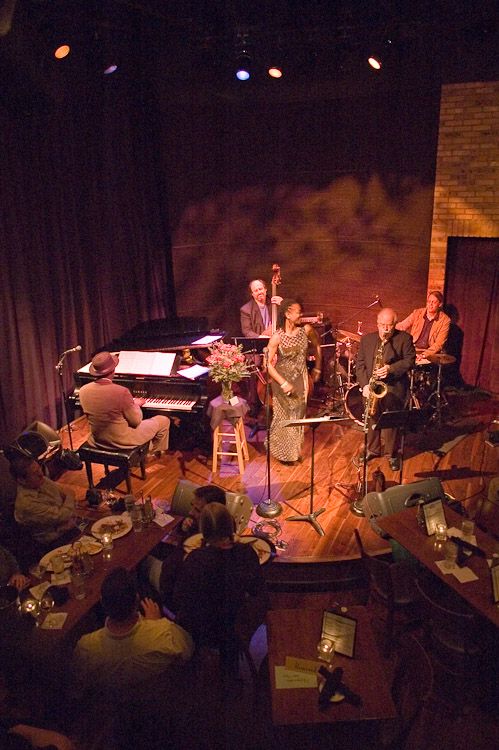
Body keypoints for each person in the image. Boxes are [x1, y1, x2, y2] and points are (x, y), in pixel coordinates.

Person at [172, 503, 266, 673]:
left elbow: (179, 598)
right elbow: (256, 590)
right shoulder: (246, 553)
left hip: (203, 629)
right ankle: (231, 675)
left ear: (204, 532)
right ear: (231, 525)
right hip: (235, 625)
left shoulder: (196, 559)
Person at [73, 567, 193, 692]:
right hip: (159, 704)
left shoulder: (86, 648)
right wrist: (157, 623)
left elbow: (77, 687)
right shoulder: (165, 633)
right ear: (137, 600)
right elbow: (188, 650)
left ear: (103, 603)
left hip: (113, 710)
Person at [356, 307, 416, 472]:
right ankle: (373, 450)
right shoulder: (367, 339)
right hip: (372, 387)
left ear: (395, 324)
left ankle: (392, 454)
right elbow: (360, 364)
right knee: (372, 418)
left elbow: (410, 361)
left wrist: (390, 368)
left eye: (389, 325)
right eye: (382, 325)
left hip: (394, 388)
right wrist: (365, 386)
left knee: (391, 423)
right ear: (377, 323)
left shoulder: (405, 339)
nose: (385, 329)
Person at [78, 351, 170, 453]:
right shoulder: (121, 391)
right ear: (113, 370)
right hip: (122, 441)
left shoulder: (83, 390)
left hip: (98, 439)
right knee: (163, 420)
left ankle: (143, 451)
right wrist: (135, 404)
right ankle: (151, 454)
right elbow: (136, 421)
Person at [265, 298, 321, 464]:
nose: (301, 315)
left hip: (300, 379)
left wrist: (318, 367)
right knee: (282, 417)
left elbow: (317, 346)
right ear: (287, 314)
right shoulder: (277, 337)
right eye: (298, 312)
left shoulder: (307, 330)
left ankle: (293, 452)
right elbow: (267, 364)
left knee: (298, 416)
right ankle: (281, 452)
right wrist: (282, 382)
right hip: (281, 380)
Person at [11, 457, 77, 547]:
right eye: (34, 473)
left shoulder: (41, 481)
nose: (41, 474)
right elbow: (63, 515)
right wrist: (70, 498)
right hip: (56, 544)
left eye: (39, 468)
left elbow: (65, 493)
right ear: (21, 480)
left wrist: (68, 507)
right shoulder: (27, 504)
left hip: (69, 529)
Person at [240, 278, 283, 417]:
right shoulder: (246, 309)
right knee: (254, 364)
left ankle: (284, 400)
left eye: (261, 289)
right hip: (258, 346)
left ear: (265, 290)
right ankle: (255, 402)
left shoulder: (274, 303)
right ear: (252, 294)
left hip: (276, 345)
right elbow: (246, 331)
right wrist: (262, 338)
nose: (259, 292)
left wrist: (283, 305)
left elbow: (288, 318)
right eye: (256, 290)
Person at [396, 291, 450, 362]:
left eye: (434, 302)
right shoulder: (417, 313)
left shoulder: (445, 320)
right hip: (413, 349)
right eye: (429, 301)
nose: (430, 304)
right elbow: (402, 325)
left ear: (440, 304)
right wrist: (390, 326)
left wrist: (424, 355)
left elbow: (439, 344)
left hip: (429, 353)